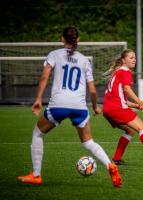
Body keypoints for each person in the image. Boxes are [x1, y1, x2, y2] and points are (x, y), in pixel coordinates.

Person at [17, 26, 122, 188]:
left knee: (37, 134)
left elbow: (44, 77)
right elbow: (93, 90)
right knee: (88, 142)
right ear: (78, 40)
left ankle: (36, 175)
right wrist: (95, 107)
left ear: (62, 39)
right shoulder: (84, 60)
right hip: (79, 106)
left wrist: (38, 99)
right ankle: (110, 166)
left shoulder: (54, 55)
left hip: (58, 104)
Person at [102, 49, 143, 165]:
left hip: (108, 110)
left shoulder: (117, 73)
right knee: (142, 128)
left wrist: (137, 105)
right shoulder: (125, 72)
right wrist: (139, 101)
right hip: (117, 108)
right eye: (131, 58)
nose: (134, 60)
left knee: (130, 131)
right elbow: (127, 89)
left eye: (134, 58)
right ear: (123, 60)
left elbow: (121, 99)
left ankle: (116, 159)